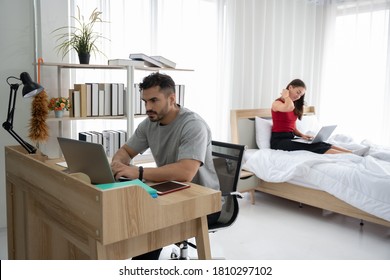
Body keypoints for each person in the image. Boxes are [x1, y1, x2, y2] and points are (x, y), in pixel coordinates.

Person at [110, 72, 220, 259]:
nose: (148, 107)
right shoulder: (149, 124)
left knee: (147, 227)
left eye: (154, 100)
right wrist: (117, 163)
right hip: (170, 193)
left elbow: (186, 172)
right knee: (126, 216)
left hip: (202, 201)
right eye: (145, 101)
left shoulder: (193, 125)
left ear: (172, 98)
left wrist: (138, 172)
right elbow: (126, 151)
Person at [270, 79, 369, 155]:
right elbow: (289, 107)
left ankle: (351, 152)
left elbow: (292, 127)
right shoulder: (277, 103)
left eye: (301, 95)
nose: (298, 97)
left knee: (320, 143)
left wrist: (302, 135)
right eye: (298, 92)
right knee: (313, 147)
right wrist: (286, 96)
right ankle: (347, 155)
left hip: (290, 138)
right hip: (279, 142)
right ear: (290, 87)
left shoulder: (292, 104)